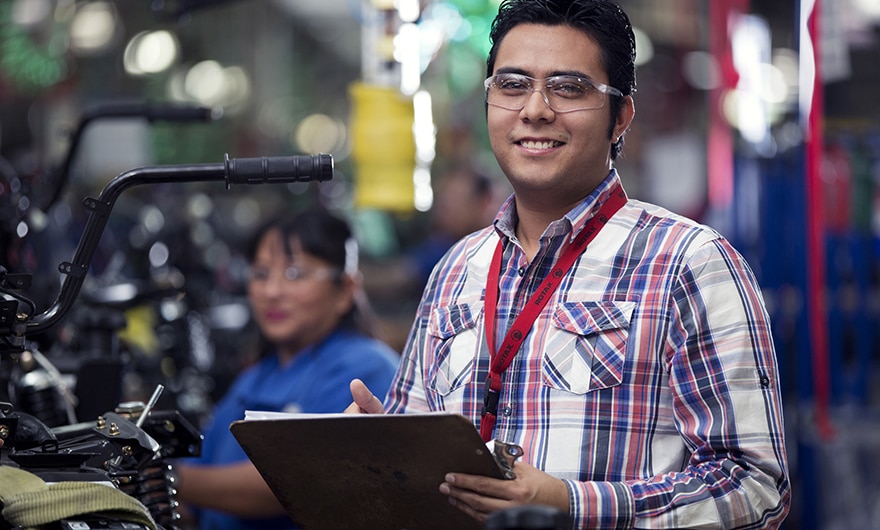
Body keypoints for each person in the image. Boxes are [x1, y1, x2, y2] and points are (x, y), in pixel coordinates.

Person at [346, 0, 791, 528]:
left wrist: (568, 503)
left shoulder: (690, 264)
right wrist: (376, 455)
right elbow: (415, 472)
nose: (535, 109)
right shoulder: (455, 271)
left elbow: (755, 487)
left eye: (568, 88)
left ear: (620, 115)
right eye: (512, 85)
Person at [176, 208, 400, 530]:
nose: (272, 292)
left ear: (346, 289)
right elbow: (196, 494)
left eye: (294, 274)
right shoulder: (254, 378)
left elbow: (291, 482)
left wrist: (165, 477)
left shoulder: (364, 370)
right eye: (261, 274)